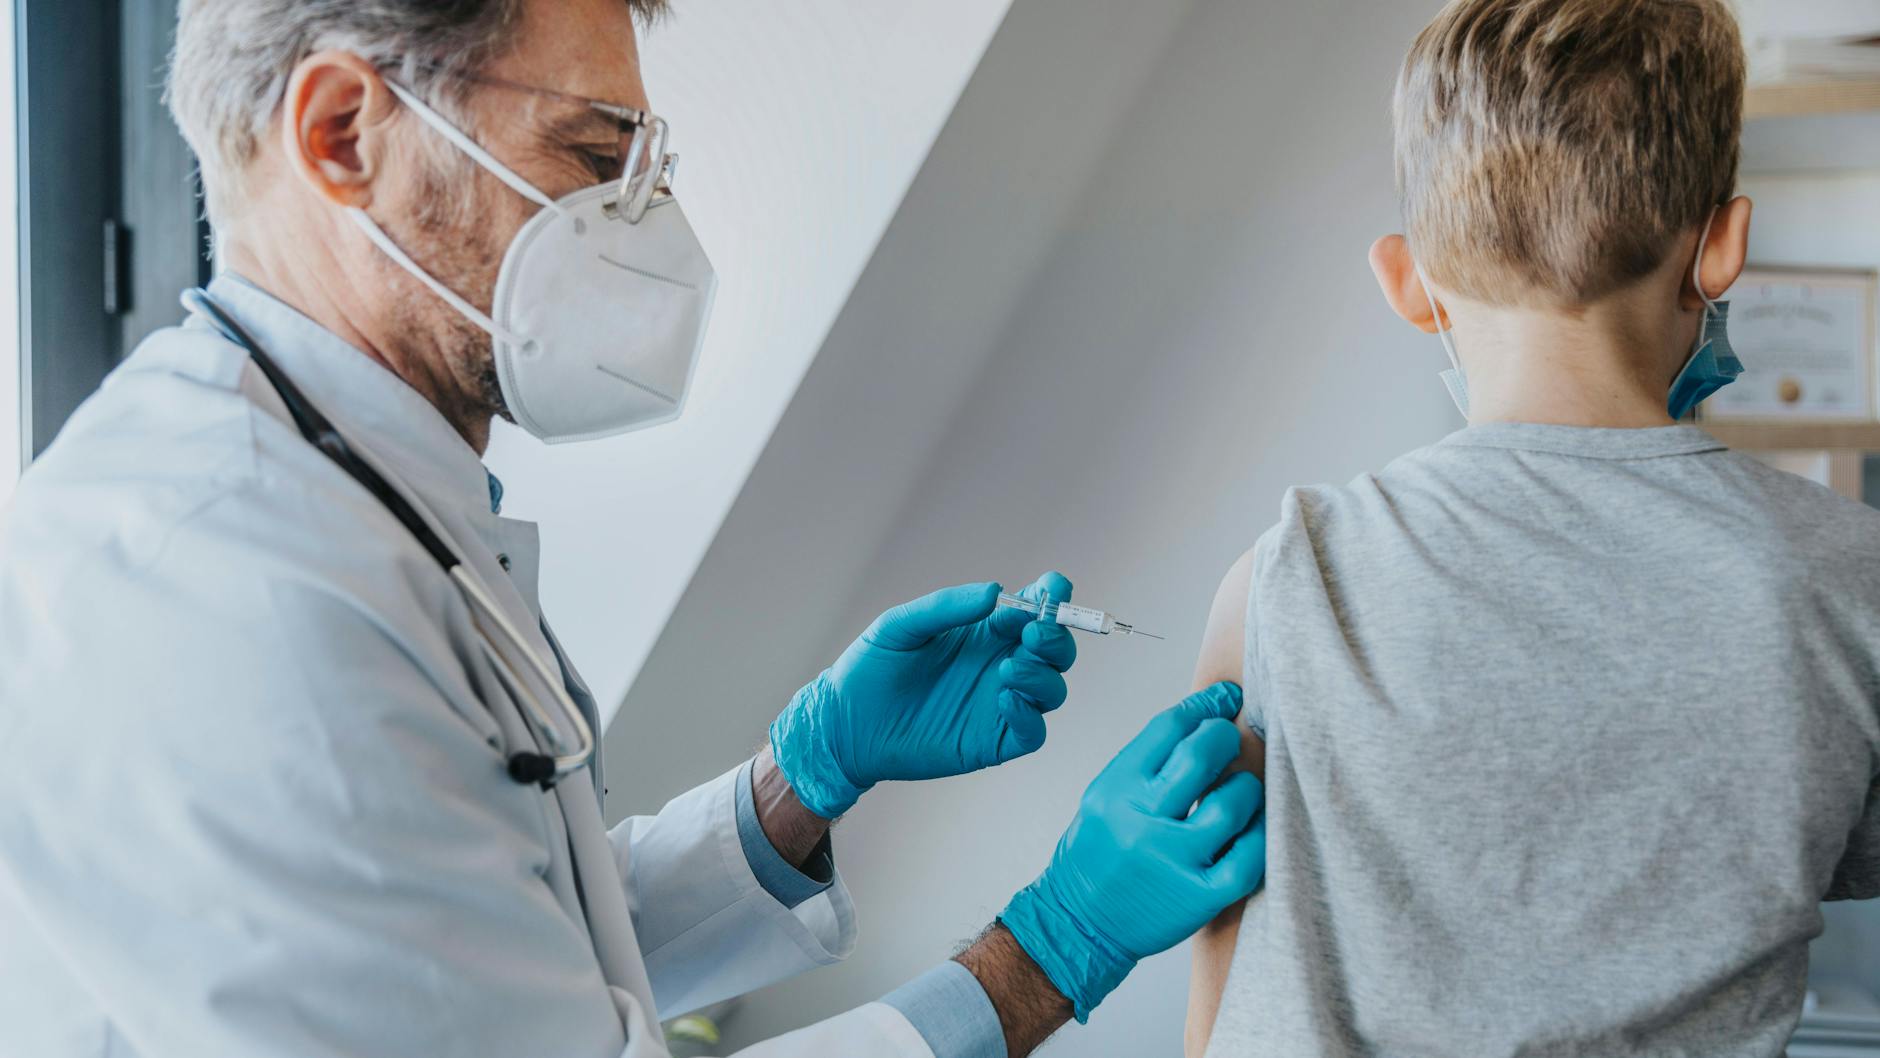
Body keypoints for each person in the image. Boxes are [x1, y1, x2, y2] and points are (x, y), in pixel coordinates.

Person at [0, 2, 1268, 1056]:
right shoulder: (232, 593)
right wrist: (1049, 949)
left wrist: (803, 777)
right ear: (343, 134)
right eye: (591, 155)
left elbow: (504, 949)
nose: (639, 227)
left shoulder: (357, 489)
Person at [1182, 1, 1880, 1055]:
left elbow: (1219, 962)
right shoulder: (1850, 577)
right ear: (1723, 245)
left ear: (1405, 280)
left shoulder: (1288, 574)